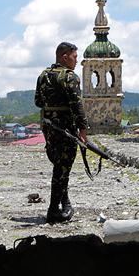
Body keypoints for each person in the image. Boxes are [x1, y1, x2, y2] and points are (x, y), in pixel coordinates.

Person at [34, 42, 88, 223]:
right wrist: (82, 129)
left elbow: (38, 102)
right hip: (66, 129)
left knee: (59, 165)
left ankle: (65, 203)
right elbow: (77, 105)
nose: (76, 60)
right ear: (64, 57)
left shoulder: (43, 76)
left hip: (49, 128)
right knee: (62, 168)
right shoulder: (70, 78)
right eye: (74, 57)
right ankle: (53, 209)